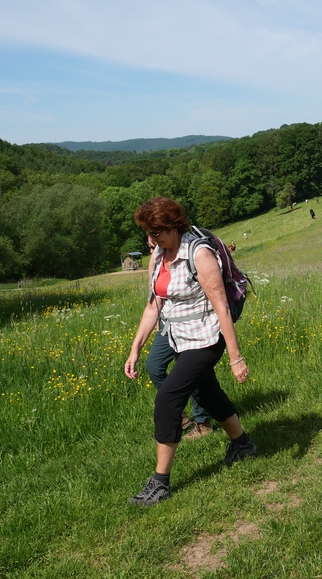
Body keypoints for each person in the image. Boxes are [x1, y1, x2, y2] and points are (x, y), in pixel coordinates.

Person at [125, 197, 255, 507]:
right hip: (178, 337)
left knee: (168, 398)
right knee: (207, 392)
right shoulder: (158, 256)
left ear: (173, 226)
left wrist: (236, 357)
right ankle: (243, 444)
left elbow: (221, 306)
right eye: (148, 234)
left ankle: (160, 483)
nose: (151, 240)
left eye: (156, 233)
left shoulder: (199, 253)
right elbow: (153, 304)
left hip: (206, 339)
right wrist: (135, 349)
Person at [145, 234, 214, 440]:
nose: (153, 249)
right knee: (153, 366)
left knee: (195, 375)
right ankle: (182, 416)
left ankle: (203, 422)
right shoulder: (157, 256)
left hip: (191, 323)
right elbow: (154, 293)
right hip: (167, 323)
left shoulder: (191, 252)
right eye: (150, 246)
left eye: (154, 244)